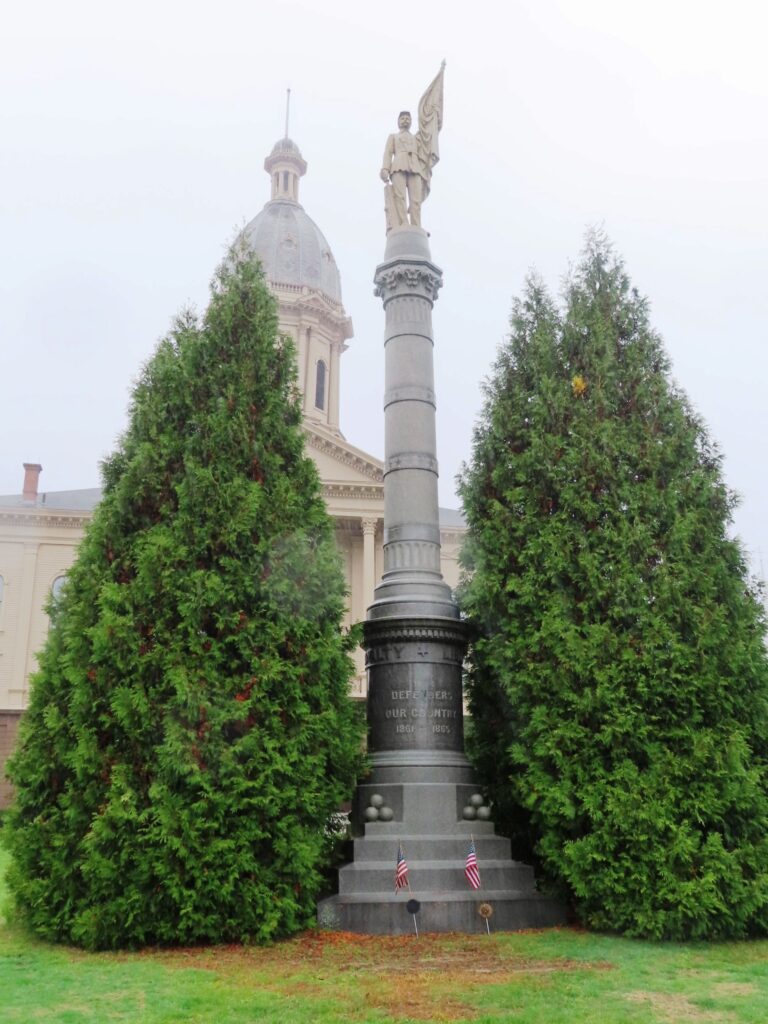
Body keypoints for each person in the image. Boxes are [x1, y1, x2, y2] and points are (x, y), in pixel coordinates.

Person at [380, 111, 425, 230]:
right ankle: (403, 223)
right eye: (402, 118)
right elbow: (388, 153)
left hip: (415, 167)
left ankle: (416, 226)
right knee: (400, 197)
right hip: (398, 166)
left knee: (416, 200)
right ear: (398, 122)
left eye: (407, 118)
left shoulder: (417, 138)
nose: (405, 120)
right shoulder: (393, 137)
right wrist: (385, 168)